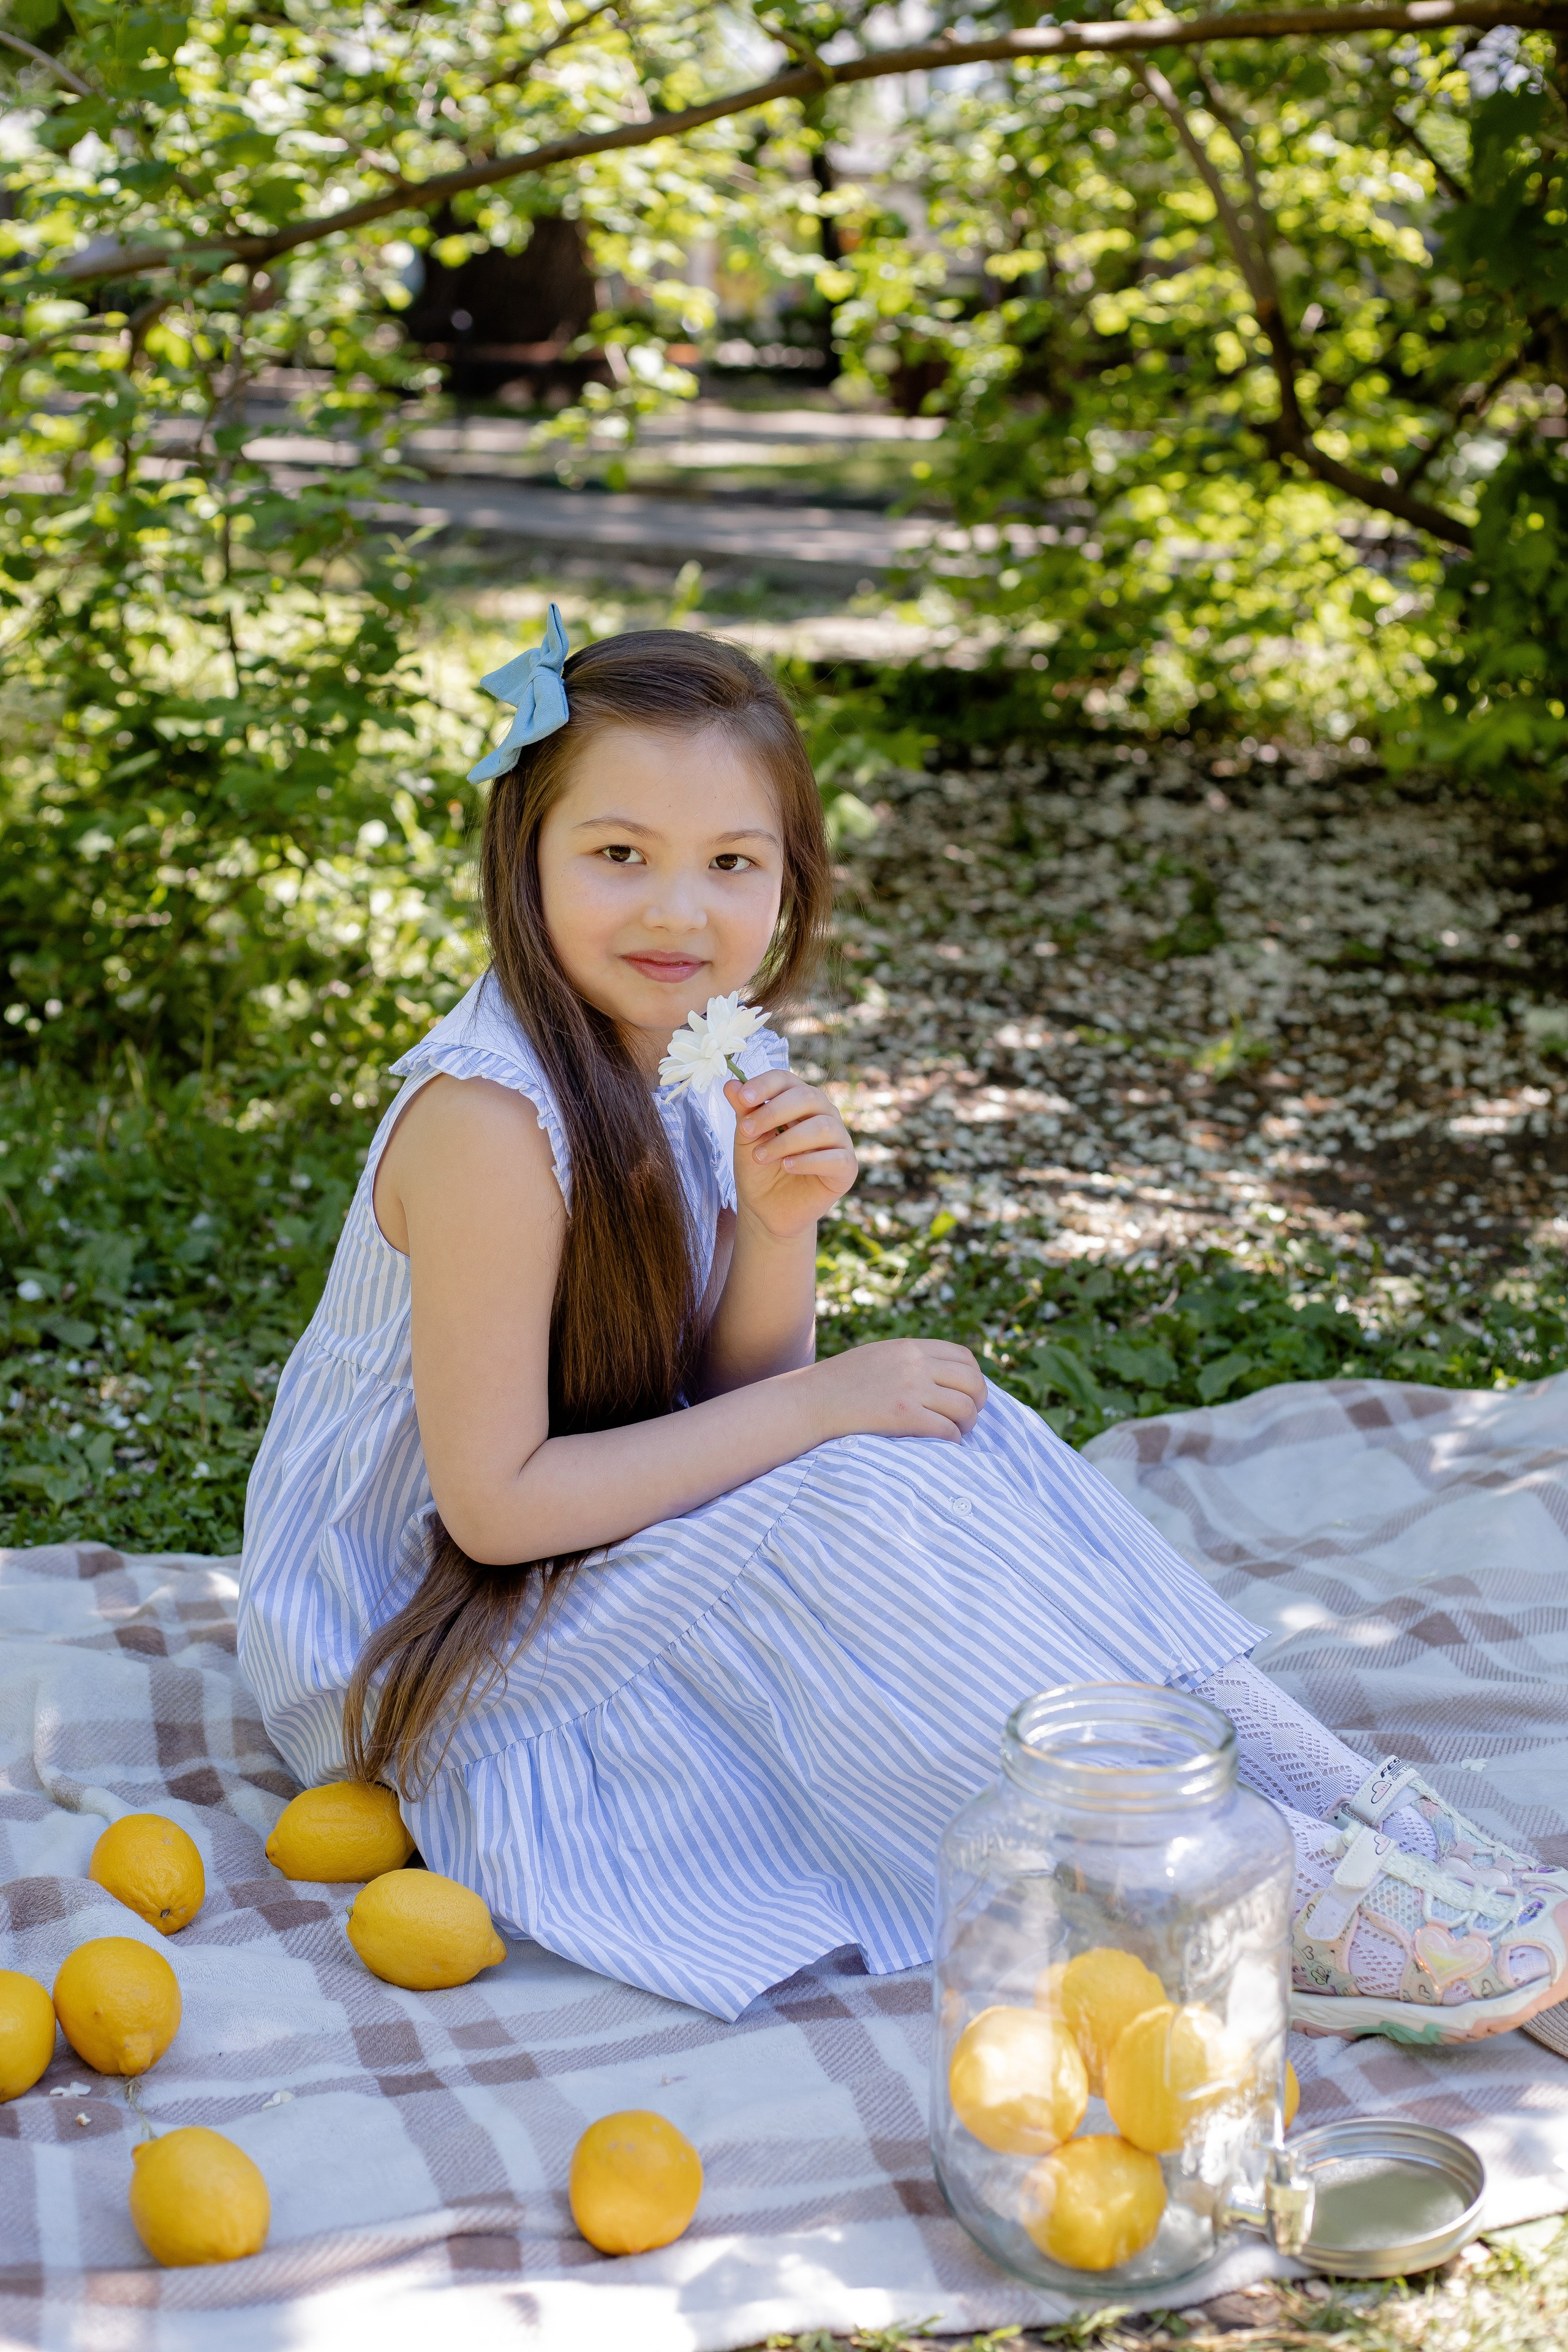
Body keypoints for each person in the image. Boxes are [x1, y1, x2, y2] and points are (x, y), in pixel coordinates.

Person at [239, 610, 1568, 2042]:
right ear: (525, 860)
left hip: (570, 1541)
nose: (679, 914)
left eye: (730, 864)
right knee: (847, 1466)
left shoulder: (704, 1049)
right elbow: (498, 1507)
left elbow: (735, 1395)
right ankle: (1237, 1881)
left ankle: (1315, 1793)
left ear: (787, 880)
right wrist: (820, 1409)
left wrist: (776, 1221)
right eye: (617, 855)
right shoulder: (489, 1124)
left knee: (943, 1416)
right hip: (409, 1639)